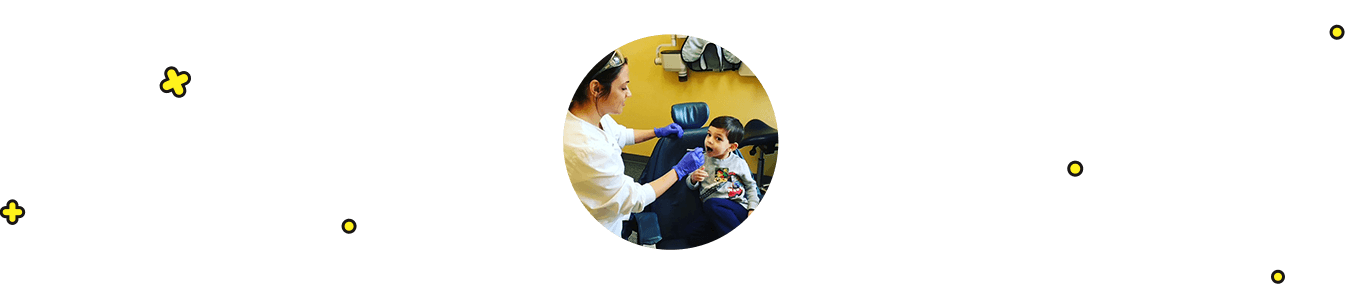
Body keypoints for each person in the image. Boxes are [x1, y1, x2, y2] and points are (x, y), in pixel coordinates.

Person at [563, 49, 707, 238]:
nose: (629, 94)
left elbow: (621, 135)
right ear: (596, 89)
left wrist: (657, 131)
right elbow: (635, 198)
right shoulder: (586, 148)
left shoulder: (592, 116)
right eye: (623, 88)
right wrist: (679, 170)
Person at [685, 116, 758, 245]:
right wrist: (693, 178)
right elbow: (690, 184)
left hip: (736, 208)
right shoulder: (701, 159)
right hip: (713, 211)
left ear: (732, 147)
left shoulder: (739, 163)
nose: (710, 141)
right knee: (691, 234)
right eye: (709, 135)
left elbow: (751, 186)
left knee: (712, 204)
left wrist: (752, 208)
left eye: (718, 138)